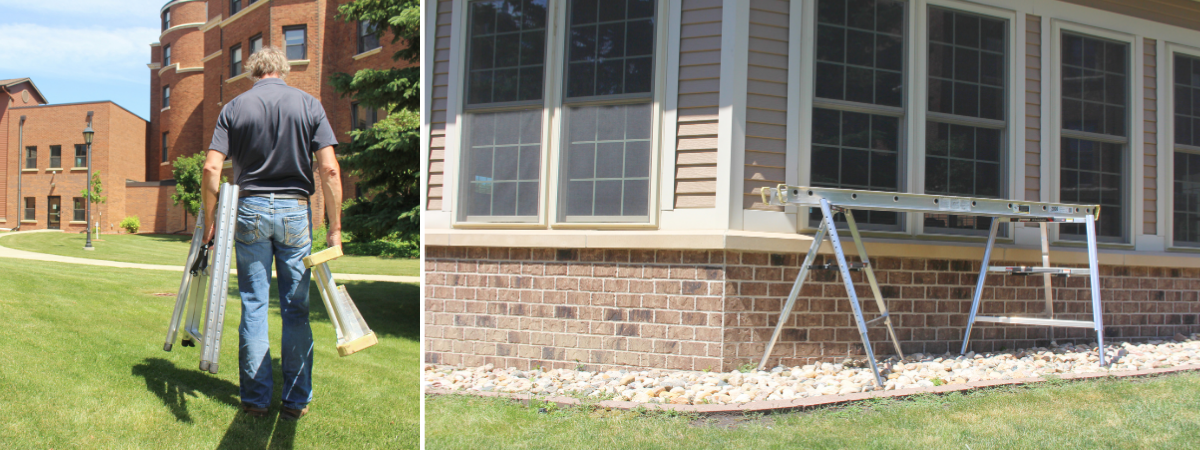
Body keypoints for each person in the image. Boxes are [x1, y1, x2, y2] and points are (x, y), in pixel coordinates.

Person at [202, 46, 343, 420]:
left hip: (248, 210)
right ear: (284, 69)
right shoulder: (309, 104)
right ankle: (295, 402)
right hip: (295, 211)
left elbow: (211, 168)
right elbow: (329, 171)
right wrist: (335, 228)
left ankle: (255, 400)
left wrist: (211, 218)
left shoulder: (233, 108)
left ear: (252, 71)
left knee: (254, 304)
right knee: (296, 310)